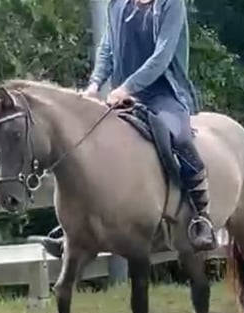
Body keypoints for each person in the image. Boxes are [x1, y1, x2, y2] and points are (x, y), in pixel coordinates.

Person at [38, 0, 217, 258]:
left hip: (164, 95)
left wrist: (127, 87)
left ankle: (201, 216)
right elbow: (108, 48)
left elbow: (163, 56)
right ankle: (76, 228)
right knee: (92, 144)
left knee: (180, 139)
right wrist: (95, 84)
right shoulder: (118, 4)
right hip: (124, 97)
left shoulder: (170, 5)